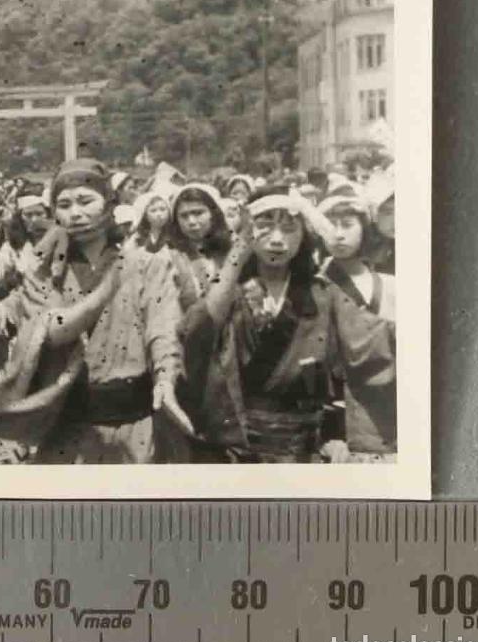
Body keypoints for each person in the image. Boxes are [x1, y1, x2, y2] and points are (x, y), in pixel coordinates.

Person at [0, 159, 193, 464]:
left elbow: (163, 328)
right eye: (64, 204)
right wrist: (106, 289)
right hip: (68, 426)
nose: (75, 213)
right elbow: (49, 331)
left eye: (86, 201)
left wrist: (165, 379)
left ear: (108, 204)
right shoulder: (44, 274)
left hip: (135, 425)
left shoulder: (147, 264)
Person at [180, 186, 350, 464]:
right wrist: (239, 252)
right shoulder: (228, 291)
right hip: (237, 443)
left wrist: (337, 434)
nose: (277, 240)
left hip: (302, 445)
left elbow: (341, 369)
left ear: (304, 235)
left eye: (288, 228)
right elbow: (197, 332)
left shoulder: (322, 294)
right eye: (265, 227)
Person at [319, 192, 396, 455]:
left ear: (364, 227)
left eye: (347, 224)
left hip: (383, 401)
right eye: (330, 225)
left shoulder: (390, 284)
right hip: (334, 405)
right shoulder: (313, 285)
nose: (338, 234)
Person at [166, 183, 231, 311]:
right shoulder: (170, 257)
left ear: (213, 213)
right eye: (184, 216)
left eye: (198, 213)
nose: (191, 222)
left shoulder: (231, 251)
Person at [128, 188, 173, 253]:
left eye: (163, 209)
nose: (159, 214)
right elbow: (124, 256)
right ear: (145, 216)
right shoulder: (138, 237)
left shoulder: (173, 234)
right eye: (153, 210)